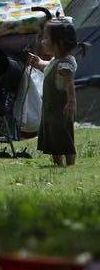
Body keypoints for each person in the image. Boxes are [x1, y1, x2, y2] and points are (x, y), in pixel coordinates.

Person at [30, 18, 81, 167]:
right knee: (52, 138)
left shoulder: (65, 63)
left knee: (64, 137)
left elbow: (69, 85)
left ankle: (70, 163)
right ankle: (58, 163)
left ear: (58, 42)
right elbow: (47, 67)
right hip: (49, 110)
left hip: (61, 110)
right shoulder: (55, 61)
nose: (42, 41)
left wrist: (71, 102)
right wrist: (38, 62)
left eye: (46, 38)